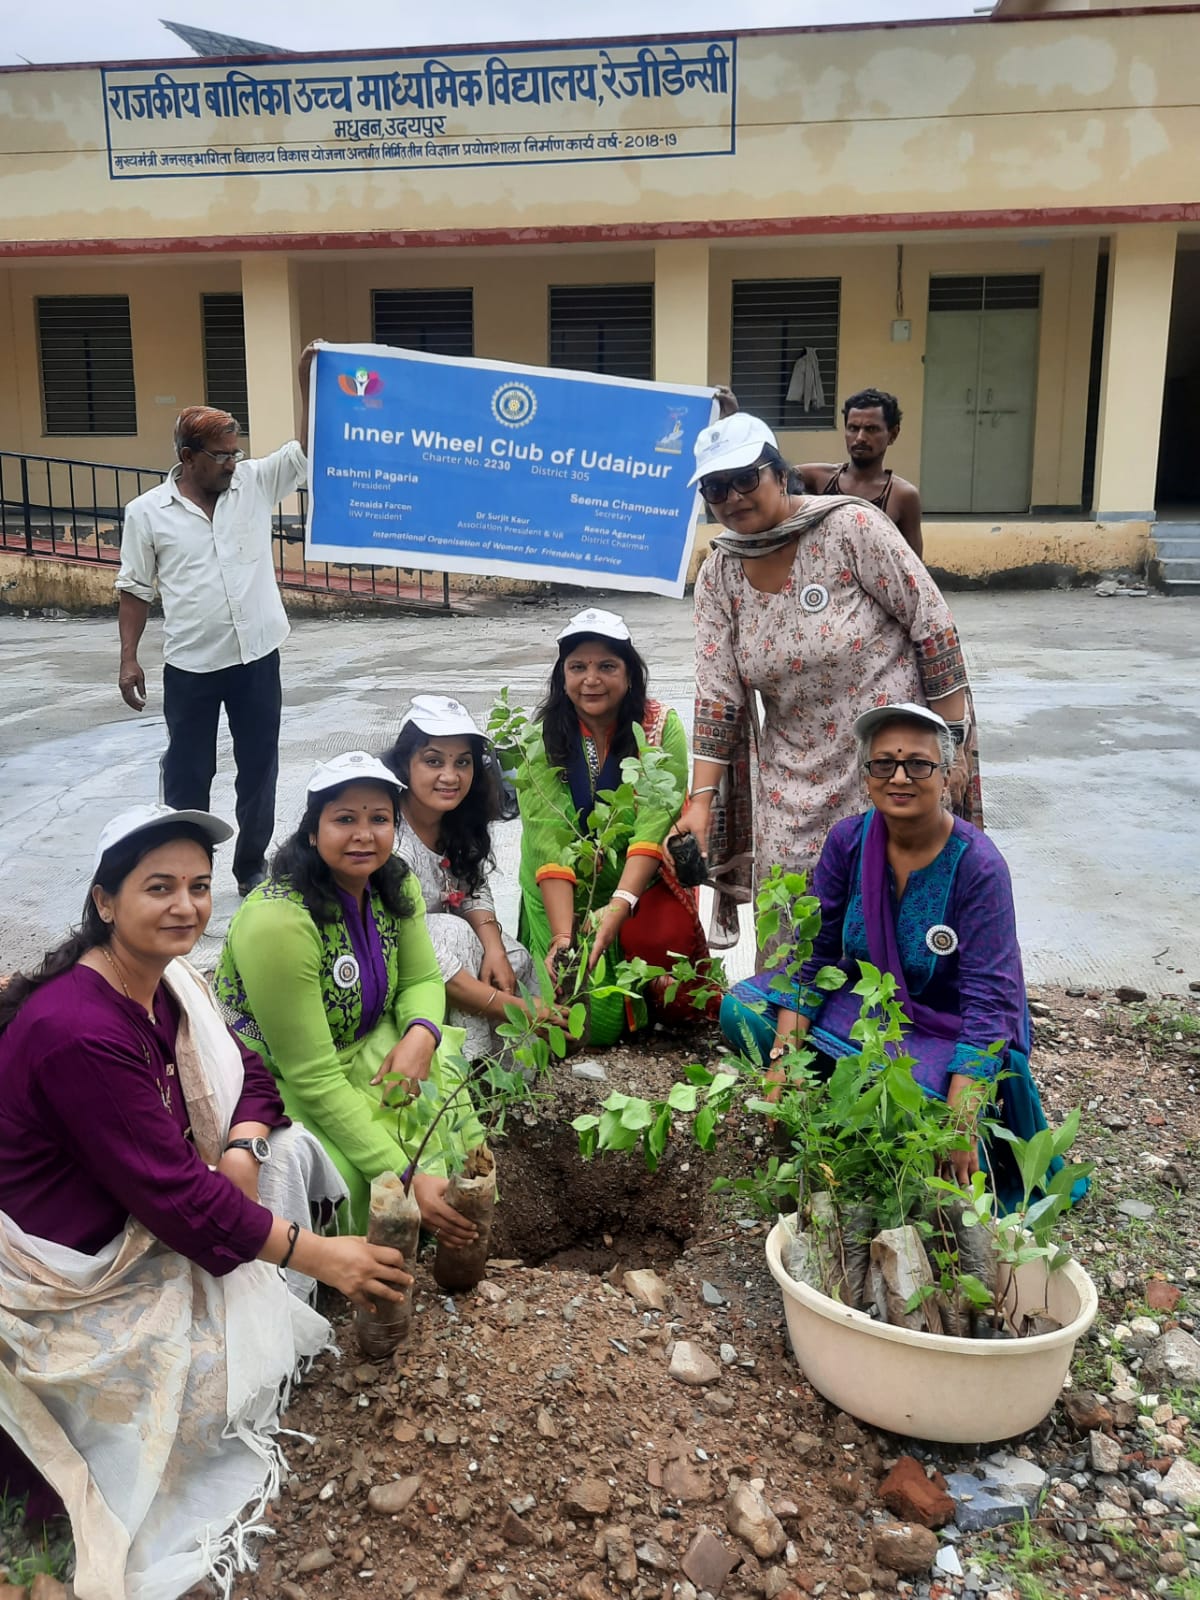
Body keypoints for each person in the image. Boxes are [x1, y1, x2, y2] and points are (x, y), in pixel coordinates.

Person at [0, 804, 409, 1598]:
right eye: (159, 888)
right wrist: (323, 1254)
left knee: (289, 1149)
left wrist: (242, 1147)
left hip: (155, 1203)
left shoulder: (168, 981)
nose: (186, 907)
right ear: (104, 901)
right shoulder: (78, 1028)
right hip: (69, 1267)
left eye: (197, 886)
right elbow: (175, 1201)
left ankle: (265, 1267)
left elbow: (247, 1069)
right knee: (213, 1399)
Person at [720, 705, 1074, 1208]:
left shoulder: (978, 866)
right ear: (866, 776)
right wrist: (784, 1059)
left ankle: (885, 1118)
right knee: (741, 1011)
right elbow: (815, 956)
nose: (900, 777)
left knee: (912, 1108)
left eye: (919, 764)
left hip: (945, 1024)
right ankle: (827, 1102)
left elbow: (989, 1003)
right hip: (870, 1007)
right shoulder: (848, 841)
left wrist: (962, 1115)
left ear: (949, 774)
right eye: (883, 764)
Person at [675, 411, 982, 949]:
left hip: (890, 761)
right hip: (792, 773)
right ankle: (793, 1022)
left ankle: (895, 1026)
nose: (733, 496)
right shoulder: (719, 573)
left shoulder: (849, 528)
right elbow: (718, 697)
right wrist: (699, 800)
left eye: (746, 478)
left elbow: (931, 627)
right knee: (793, 913)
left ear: (778, 472)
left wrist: (950, 746)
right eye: (715, 486)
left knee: (896, 903)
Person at [214, 751, 482, 1239]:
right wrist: (404, 1174)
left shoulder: (392, 880)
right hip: (277, 1073)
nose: (364, 834)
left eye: (379, 818)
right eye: (344, 819)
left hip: (364, 1046)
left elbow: (421, 980)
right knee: (351, 1181)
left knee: (436, 1100)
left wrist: (421, 1034)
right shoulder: (279, 921)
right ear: (313, 831)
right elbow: (312, 1075)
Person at [115, 342, 319, 896]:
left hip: (257, 658)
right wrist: (129, 657)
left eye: (235, 451)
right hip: (192, 666)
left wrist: (308, 378)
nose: (233, 462)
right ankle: (188, 870)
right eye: (221, 455)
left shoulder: (252, 483)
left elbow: (305, 448)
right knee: (188, 776)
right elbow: (134, 589)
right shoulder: (146, 513)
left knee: (259, 772)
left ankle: (250, 867)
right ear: (188, 458)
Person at [516, 608, 714, 1047]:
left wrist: (618, 906)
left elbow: (652, 824)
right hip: (559, 886)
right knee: (579, 1021)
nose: (592, 679)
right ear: (561, 676)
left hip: (636, 883)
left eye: (607, 666)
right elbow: (550, 841)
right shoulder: (539, 741)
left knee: (672, 999)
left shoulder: (662, 730)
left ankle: (646, 988)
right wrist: (565, 938)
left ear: (630, 675)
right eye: (578, 667)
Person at [383, 694, 537, 1060]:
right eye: (433, 761)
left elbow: (473, 887)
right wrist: (513, 1009)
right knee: (450, 932)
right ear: (406, 765)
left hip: (448, 954)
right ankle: (466, 1068)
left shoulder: (456, 820)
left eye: (462, 763)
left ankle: (516, 1071)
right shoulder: (389, 839)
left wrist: (496, 948)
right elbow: (422, 948)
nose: (450, 776)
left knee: (512, 959)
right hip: (397, 961)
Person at [794, 388, 924, 558]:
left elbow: (914, 565)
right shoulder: (820, 478)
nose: (860, 437)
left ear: (893, 434)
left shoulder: (902, 495)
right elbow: (771, 479)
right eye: (853, 428)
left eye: (871, 429)